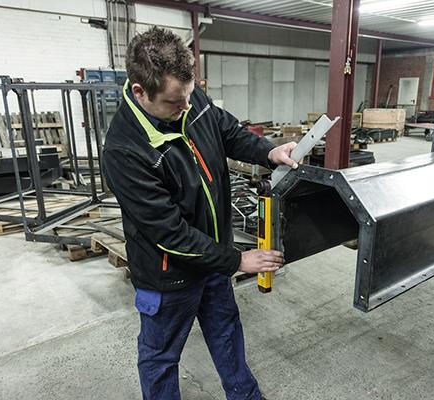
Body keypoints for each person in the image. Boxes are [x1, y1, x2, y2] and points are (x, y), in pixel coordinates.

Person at [102, 26, 299, 400]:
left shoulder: (187, 96)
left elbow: (226, 130)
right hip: (169, 277)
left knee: (226, 331)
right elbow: (169, 233)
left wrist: (267, 152)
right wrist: (237, 260)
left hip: (213, 258)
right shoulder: (124, 152)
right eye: (175, 103)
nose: (186, 107)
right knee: (161, 357)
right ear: (141, 92)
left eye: (190, 96)